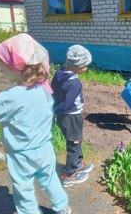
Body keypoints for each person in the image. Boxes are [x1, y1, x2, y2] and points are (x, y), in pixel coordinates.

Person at [0, 33, 70, 214]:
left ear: (15, 67)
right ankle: (63, 207)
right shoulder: (43, 89)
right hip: (45, 148)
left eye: (1, 65)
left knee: (23, 189)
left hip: (20, 155)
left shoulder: (10, 98)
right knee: (49, 180)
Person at [51, 45, 94, 187]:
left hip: (64, 118)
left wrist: (55, 109)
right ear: (78, 67)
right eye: (85, 65)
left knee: (76, 140)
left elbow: (53, 90)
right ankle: (69, 174)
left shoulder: (59, 73)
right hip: (71, 117)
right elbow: (67, 104)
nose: (86, 68)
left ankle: (78, 162)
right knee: (74, 144)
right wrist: (56, 110)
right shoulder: (75, 83)